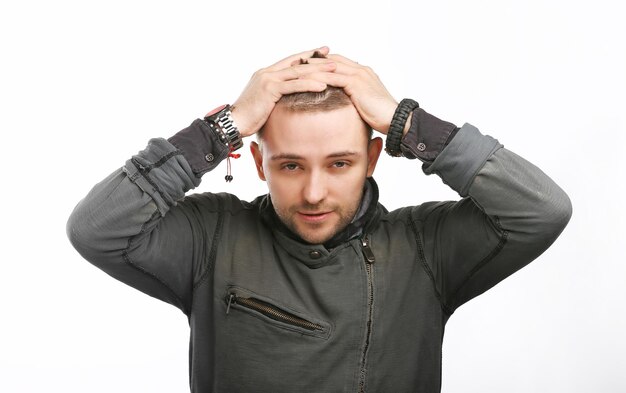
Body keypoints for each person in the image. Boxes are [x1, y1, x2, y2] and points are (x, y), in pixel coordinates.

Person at [67, 46, 572, 393]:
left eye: (339, 163)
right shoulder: (210, 238)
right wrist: (221, 128)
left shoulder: (426, 249)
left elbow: (541, 210)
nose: (313, 193)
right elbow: (97, 228)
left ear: (373, 158)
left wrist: (408, 122)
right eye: (290, 165)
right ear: (260, 163)